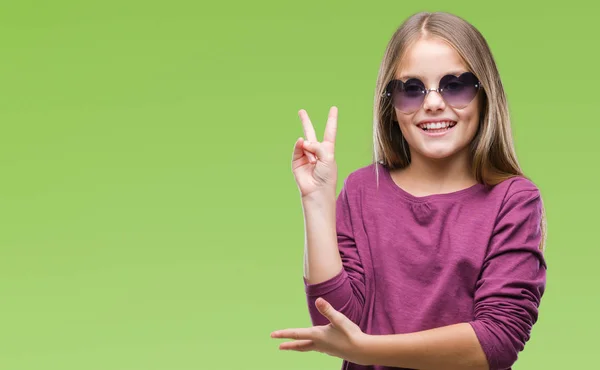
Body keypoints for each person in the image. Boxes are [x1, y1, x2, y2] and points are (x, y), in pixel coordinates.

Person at [270, 11, 548, 370]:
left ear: (484, 95)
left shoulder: (513, 200)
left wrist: (366, 350)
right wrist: (317, 201)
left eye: (455, 85)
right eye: (412, 89)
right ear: (392, 105)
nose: (432, 103)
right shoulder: (361, 190)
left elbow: (497, 339)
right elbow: (336, 325)